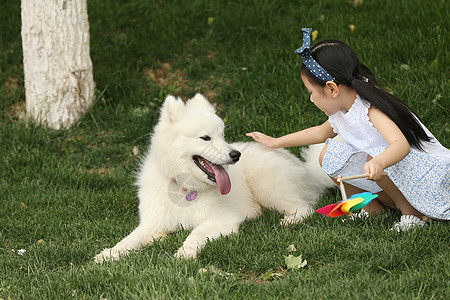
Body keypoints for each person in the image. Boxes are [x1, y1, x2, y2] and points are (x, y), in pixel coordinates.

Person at [246, 28, 450, 231]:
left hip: (427, 178)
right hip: (392, 177)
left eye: (311, 92)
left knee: (375, 155)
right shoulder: (342, 112)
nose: (310, 99)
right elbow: (319, 133)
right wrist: (276, 141)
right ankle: (371, 208)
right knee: (328, 155)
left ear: (332, 89)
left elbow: (400, 145)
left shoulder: (371, 109)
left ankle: (412, 213)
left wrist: (379, 161)